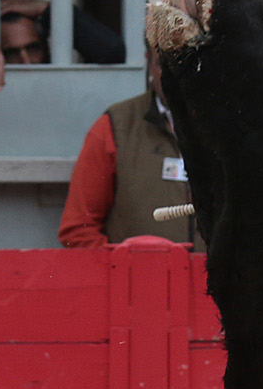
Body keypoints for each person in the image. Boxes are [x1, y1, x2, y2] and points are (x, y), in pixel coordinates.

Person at [60, 49, 203, 250]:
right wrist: (124, 270)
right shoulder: (114, 127)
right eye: (165, 63)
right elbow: (78, 230)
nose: (175, 74)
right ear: (150, 63)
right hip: (138, 279)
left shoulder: (237, 127)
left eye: (186, 62)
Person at [0, 0, 127, 94]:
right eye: (11, 53)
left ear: (46, 46)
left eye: (33, 48)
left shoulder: (63, 82)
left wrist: (50, 10)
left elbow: (112, 52)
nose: (26, 60)